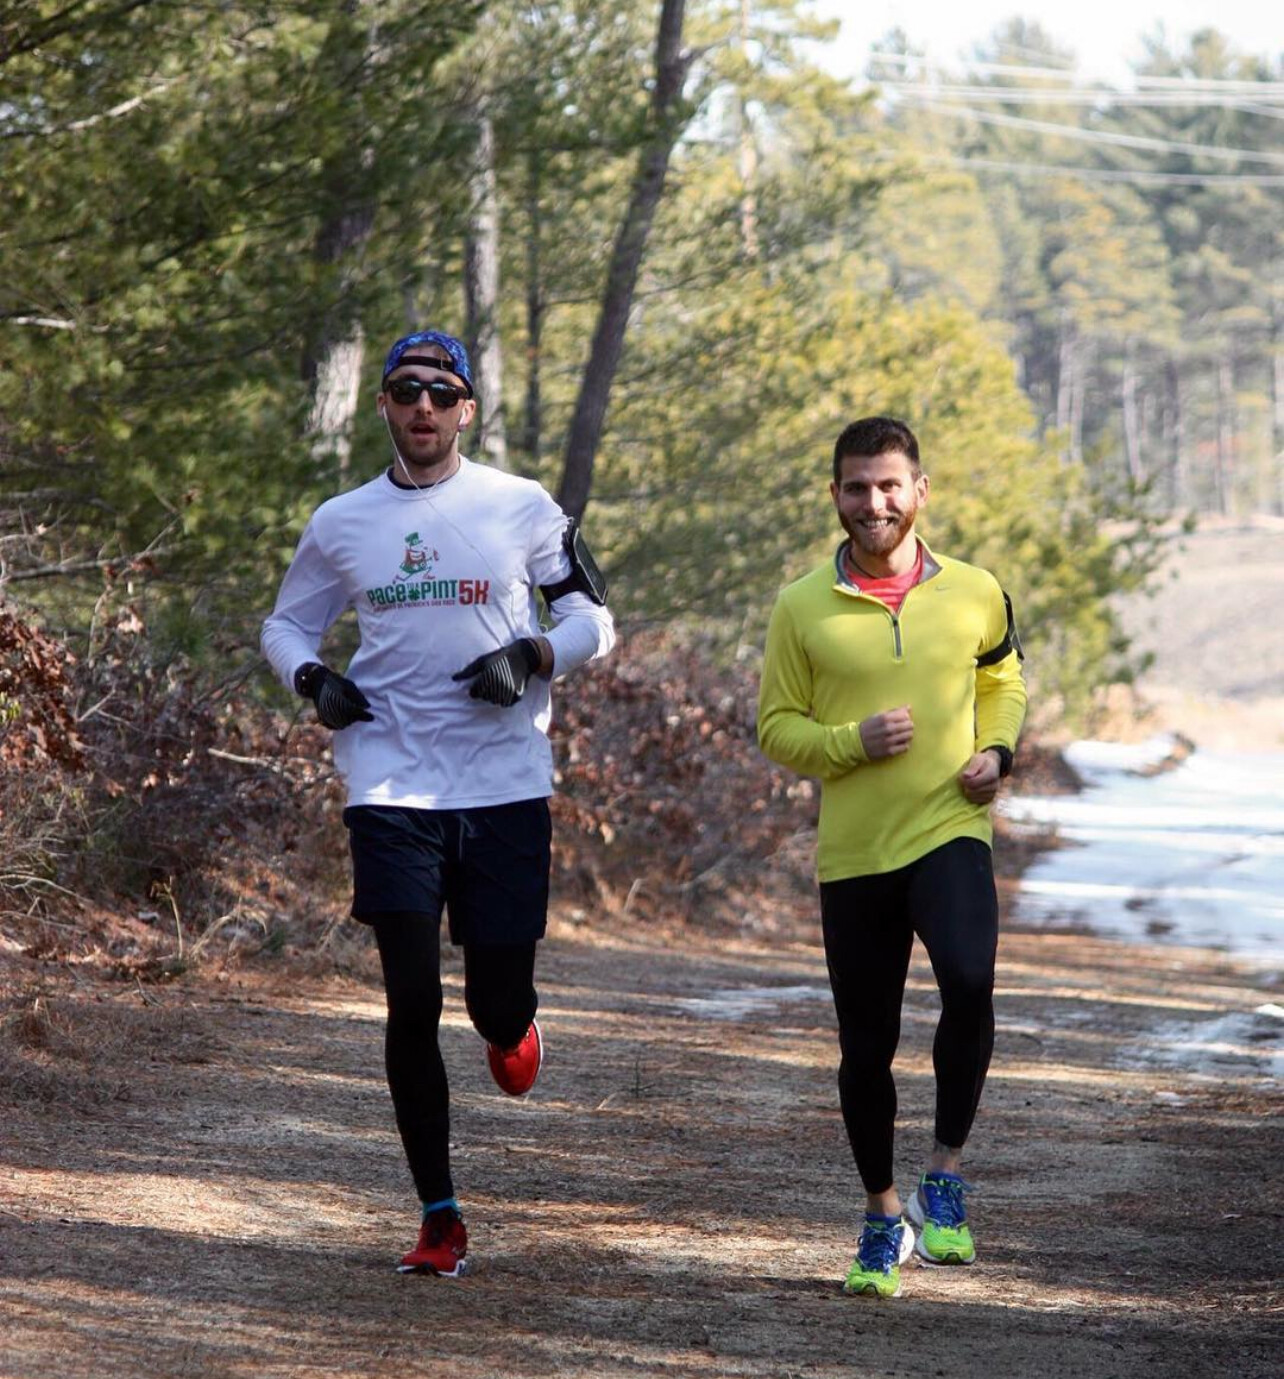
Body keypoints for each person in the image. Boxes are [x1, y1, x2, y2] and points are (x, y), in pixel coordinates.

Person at [261, 329, 615, 1278]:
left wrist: (532, 654)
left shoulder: (521, 505)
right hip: (390, 780)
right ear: (383, 403)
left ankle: (512, 1026)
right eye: (406, 389)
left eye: (441, 392)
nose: (423, 405)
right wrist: (313, 679)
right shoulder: (342, 520)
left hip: (503, 784)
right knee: (411, 997)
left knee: (494, 1000)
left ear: (467, 410)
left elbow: (594, 618)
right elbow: (286, 623)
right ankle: (439, 1214)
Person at [756, 416, 1026, 1299]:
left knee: (970, 981)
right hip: (856, 854)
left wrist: (998, 751)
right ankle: (882, 1217)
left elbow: (1002, 678)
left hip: (950, 826)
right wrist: (851, 741)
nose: (873, 503)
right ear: (835, 495)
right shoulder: (801, 605)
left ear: (920, 491)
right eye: (856, 487)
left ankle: (943, 1176)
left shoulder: (977, 590)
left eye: (888, 485)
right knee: (865, 1047)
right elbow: (776, 727)